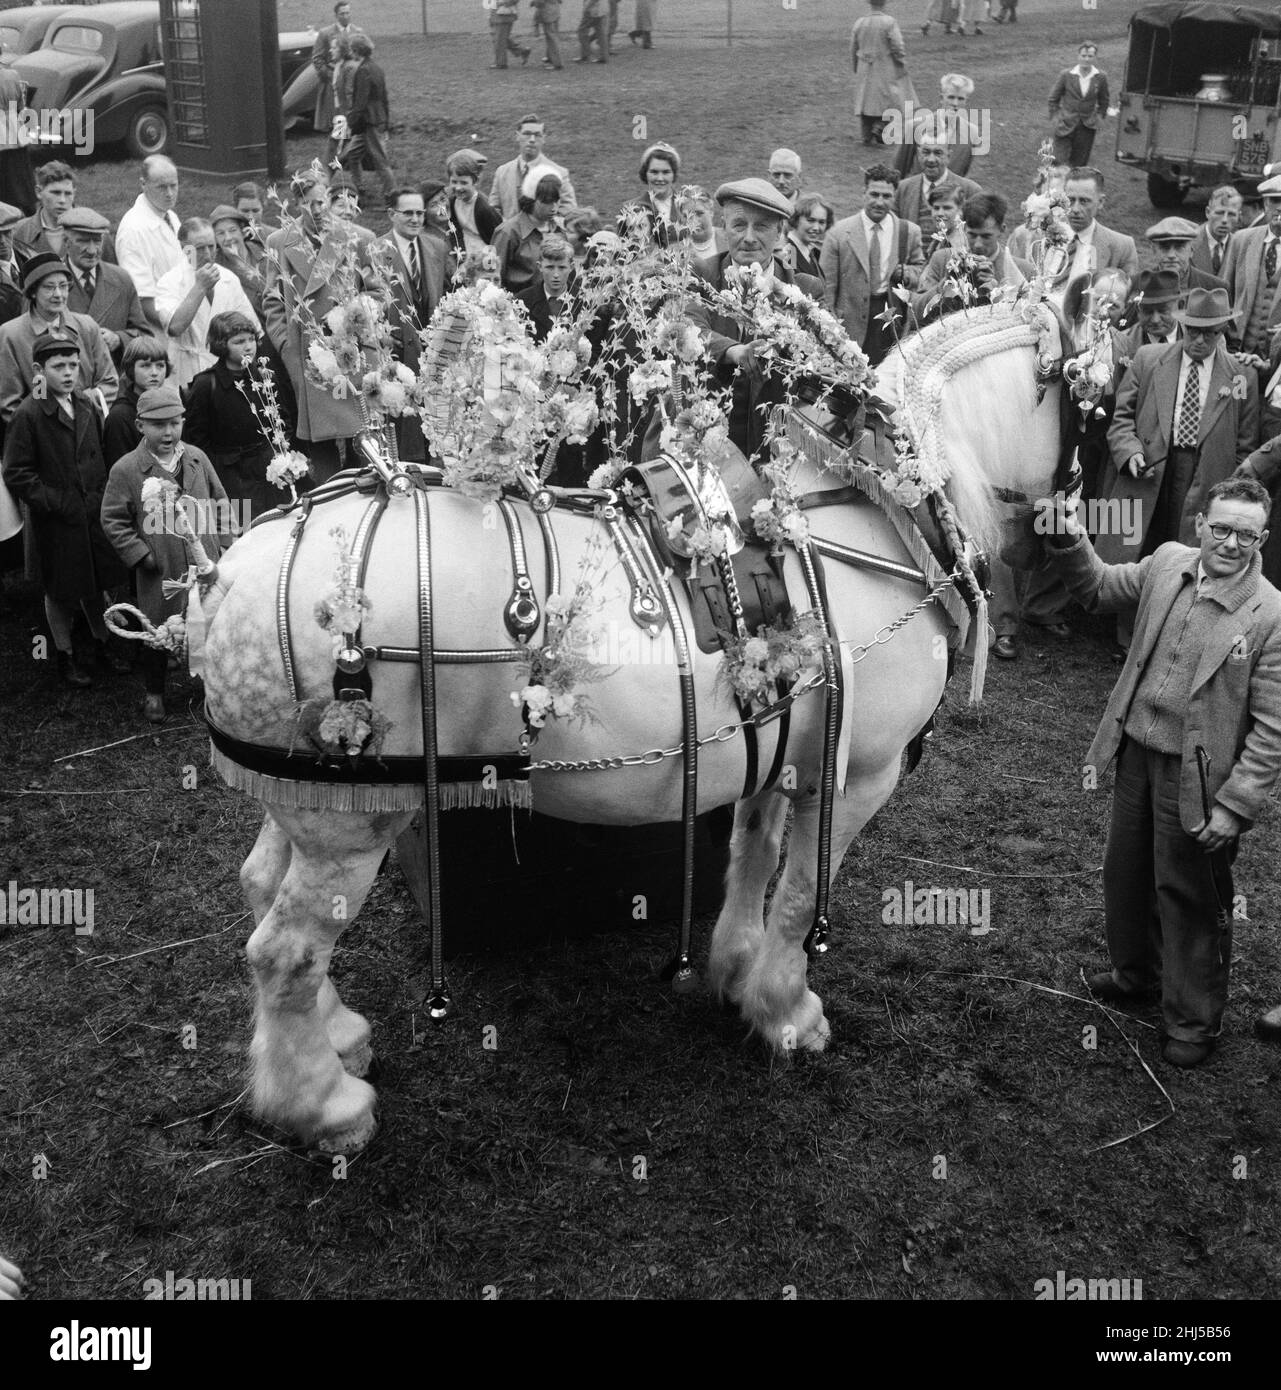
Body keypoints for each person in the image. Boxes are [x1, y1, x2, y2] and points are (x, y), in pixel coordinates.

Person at [1042, 476, 1281, 1068]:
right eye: (1220, 528)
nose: (1229, 543)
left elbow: (1274, 727)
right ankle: (1135, 975)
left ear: (1263, 539)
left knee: (1190, 895)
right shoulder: (1168, 563)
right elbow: (1096, 590)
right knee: (1125, 872)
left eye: (1245, 535)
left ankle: (1194, 1023)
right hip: (1136, 756)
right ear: (1198, 523)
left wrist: (1234, 804)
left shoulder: (1270, 614)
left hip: (1201, 780)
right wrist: (1069, 535)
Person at [101, 385, 237, 723]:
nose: (168, 432)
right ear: (139, 426)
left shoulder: (196, 458)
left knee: (209, 622)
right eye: (158, 425)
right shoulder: (127, 469)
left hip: (203, 561)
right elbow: (112, 518)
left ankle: (212, 687)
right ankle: (155, 693)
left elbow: (220, 500)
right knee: (158, 632)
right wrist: (140, 555)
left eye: (175, 423)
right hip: (160, 570)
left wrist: (225, 542)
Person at [1, 328, 129, 688]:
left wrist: (102, 494)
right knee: (60, 588)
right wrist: (56, 502)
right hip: (58, 519)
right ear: (39, 370)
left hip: (91, 511)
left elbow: (99, 455)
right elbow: (17, 472)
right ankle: (63, 653)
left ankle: (103, 641)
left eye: (73, 364)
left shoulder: (86, 403)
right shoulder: (30, 413)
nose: (69, 373)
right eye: (59, 366)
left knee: (95, 582)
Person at [1104, 289, 1259, 572]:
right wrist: (1129, 451)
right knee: (1136, 547)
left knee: (1185, 554)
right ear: (1184, 326)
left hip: (1204, 475)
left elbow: (1244, 444)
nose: (1199, 340)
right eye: (1193, 331)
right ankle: (1127, 610)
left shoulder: (1240, 375)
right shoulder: (1148, 359)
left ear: (1222, 331)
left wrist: (1230, 494)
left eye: (1210, 334)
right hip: (1151, 466)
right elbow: (1122, 418)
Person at [688, 178, 823, 461]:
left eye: (760, 226)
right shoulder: (701, 276)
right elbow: (689, 327)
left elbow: (820, 355)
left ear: (779, 233)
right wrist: (734, 351)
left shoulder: (806, 288)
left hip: (777, 442)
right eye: (739, 225)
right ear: (723, 228)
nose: (749, 237)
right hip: (710, 438)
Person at [261, 170, 366, 484]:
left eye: (322, 202)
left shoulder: (355, 237)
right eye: (308, 205)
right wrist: (288, 346)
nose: (317, 211)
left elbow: (377, 292)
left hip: (351, 351)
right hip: (306, 355)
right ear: (295, 204)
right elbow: (272, 300)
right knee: (321, 448)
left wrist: (354, 317)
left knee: (361, 437)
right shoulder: (280, 242)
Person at [369, 187, 447, 461]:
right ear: (392, 214)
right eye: (408, 213)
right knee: (402, 427)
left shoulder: (436, 246)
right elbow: (364, 300)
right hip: (396, 353)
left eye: (420, 213)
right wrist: (380, 335)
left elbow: (445, 292)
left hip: (433, 354)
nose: (415, 219)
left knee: (435, 424)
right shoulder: (376, 251)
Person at [821, 163, 924, 365]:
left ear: (894, 197)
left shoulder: (908, 231)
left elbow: (920, 270)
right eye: (874, 194)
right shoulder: (839, 233)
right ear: (864, 193)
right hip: (848, 321)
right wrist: (830, 325)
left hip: (891, 317)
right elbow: (827, 287)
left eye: (886, 196)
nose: (879, 202)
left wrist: (905, 273)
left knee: (884, 375)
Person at [0, 253, 117, 425]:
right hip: (38, 439)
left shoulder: (86, 326)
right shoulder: (11, 334)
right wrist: (42, 429)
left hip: (87, 429)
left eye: (63, 286)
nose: (58, 294)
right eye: (49, 287)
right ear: (33, 292)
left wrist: (80, 408)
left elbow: (109, 382)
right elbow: (9, 402)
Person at [184, 312, 277, 524]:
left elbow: (283, 419)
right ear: (222, 345)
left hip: (269, 470)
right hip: (231, 476)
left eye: (251, 339)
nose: (248, 347)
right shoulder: (206, 384)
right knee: (247, 532)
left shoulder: (264, 376)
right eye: (239, 342)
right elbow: (197, 440)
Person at [154, 219, 261, 391]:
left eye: (211, 246)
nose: (208, 253)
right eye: (199, 248)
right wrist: (200, 287)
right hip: (186, 369)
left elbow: (252, 328)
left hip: (227, 370)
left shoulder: (228, 278)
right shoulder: (170, 282)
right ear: (185, 249)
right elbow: (175, 327)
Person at [909, 190, 1025, 327]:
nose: (978, 244)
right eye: (972, 235)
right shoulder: (942, 259)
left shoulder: (1022, 269)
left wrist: (995, 292)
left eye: (986, 236)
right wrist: (947, 284)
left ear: (1002, 229)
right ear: (963, 229)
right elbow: (915, 315)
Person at [61, 208, 148, 367]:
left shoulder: (121, 279)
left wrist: (119, 339)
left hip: (113, 381)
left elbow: (145, 336)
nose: (92, 250)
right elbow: (31, 336)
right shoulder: (49, 281)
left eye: (97, 241)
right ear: (66, 242)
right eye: (83, 241)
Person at [114, 157, 184, 333]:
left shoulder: (170, 216)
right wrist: (177, 325)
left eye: (173, 185)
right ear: (143, 184)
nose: (169, 193)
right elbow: (141, 298)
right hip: (161, 333)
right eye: (161, 187)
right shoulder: (133, 230)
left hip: (184, 317)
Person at [1050, 167, 1139, 298]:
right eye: (1070, 200)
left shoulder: (1122, 247)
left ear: (1101, 202)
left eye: (1084, 201)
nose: (1075, 209)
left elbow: (1127, 301)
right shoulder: (1040, 236)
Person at [1222, 172, 1281, 365]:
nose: (1279, 208)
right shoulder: (1242, 240)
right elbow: (1223, 293)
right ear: (1264, 204)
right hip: (1235, 352)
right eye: (1274, 201)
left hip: (1276, 360)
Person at [850, 0, 916, 147]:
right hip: (884, 65)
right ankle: (880, 127)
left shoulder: (860, 22)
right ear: (884, 4)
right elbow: (898, 45)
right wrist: (901, 61)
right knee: (891, 99)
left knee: (865, 100)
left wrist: (856, 66)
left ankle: (866, 135)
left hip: (864, 66)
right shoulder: (889, 22)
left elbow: (853, 47)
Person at [488, 115, 578, 220]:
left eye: (537, 135)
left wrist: (546, 225)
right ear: (517, 136)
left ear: (544, 138)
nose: (532, 139)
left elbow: (569, 211)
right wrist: (506, 229)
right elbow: (493, 209)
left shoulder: (558, 173)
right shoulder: (502, 172)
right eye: (527, 134)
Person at [340, 36, 394, 205]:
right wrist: (386, 122)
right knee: (352, 155)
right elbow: (384, 97)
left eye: (352, 49)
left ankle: (392, 198)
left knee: (380, 160)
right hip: (374, 120)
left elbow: (360, 101)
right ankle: (359, 190)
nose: (350, 53)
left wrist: (351, 121)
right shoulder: (376, 68)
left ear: (357, 51)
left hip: (368, 121)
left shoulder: (363, 70)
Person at [493, 171, 564, 293]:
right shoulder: (508, 232)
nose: (554, 207)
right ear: (531, 200)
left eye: (557, 201)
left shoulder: (559, 230)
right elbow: (494, 278)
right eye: (546, 202)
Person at [105, 335, 170, 467]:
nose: (154, 372)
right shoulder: (120, 416)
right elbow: (119, 468)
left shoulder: (170, 406)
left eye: (160, 366)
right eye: (145, 366)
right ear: (130, 368)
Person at [891, 136, 979, 230]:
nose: (931, 159)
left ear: (948, 156)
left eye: (938, 153)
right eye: (926, 152)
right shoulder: (902, 189)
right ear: (918, 154)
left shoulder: (970, 190)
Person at [1048, 41, 1111, 169]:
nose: (1086, 59)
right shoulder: (1066, 75)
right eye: (1083, 56)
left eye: (1090, 56)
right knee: (1058, 160)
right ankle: (1055, 187)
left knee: (1079, 164)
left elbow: (1104, 101)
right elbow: (1053, 98)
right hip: (1065, 124)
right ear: (1078, 56)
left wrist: (1098, 117)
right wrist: (1056, 117)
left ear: (1095, 58)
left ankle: (1073, 187)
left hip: (1086, 126)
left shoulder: (1100, 77)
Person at [311, 3, 362, 138]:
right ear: (336, 15)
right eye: (342, 13)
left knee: (351, 109)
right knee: (337, 111)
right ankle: (338, 137)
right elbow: (317, 58)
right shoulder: (326, 33)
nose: (345, 16)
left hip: (352, 79)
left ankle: (349, 135)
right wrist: (329, 76)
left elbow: (363, 56)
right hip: (333, 80)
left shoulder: (357, 32)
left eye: (347, 13)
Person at [1145, 217, 1227, 298]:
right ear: (1154, 251)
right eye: (1164, 248)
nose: (1171, 255)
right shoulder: (1139, 286)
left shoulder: (1216, 288)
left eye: (1179, 247)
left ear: (1191, 250)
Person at [620, 142, 680, 248]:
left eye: (666, 172)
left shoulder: (687, 205)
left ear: (673, 174)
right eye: (654, 172)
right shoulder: (630, 208)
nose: (660, 178)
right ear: (645, 173)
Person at [447, 149, 502, 260]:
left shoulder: (484, 209)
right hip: (462, 252)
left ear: (475, 182)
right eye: (454, 182)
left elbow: (498, 239)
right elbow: (454, 230)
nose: (458, 188)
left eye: (464, 183)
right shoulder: (453, 202)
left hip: (484, 256)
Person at [0, 62, 34, 215]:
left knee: (6, 179)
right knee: (21, 176)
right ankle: (28, 209)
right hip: (16, 129)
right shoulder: (12, 74)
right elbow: (21, 104)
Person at [1192, 187, 1242, 280]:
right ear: (1208, 212)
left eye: (1231, 214)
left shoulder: (1241, 247)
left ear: (1239, 216)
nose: (1224, 220)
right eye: (1219, 213)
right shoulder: (1188, 242)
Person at [784, 194, 834, 281]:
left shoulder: (813, 252)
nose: (816, 228)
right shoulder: (788, 251)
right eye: (811, 221)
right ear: (796, 219)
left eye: (821, 222)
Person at [489, 0, 531, 70]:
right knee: (500, 38)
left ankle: (501, 63)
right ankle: (522, 51)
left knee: (500, 40)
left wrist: (502, 3)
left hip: (504, 16)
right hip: (497, 16)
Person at [531, 0, 563, 69]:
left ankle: (557, 63)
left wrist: (534, 3)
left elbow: (540, 2)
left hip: (547, 13)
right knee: (554, 36)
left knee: (551, 39)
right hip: (555, 11)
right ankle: (551, 58)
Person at [575, 0, 609, 64]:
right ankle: (604, 56)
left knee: (582, 32)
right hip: (602, 8)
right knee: (601, 33)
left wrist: (586, 7)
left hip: (593, 9)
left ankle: (587, 55)